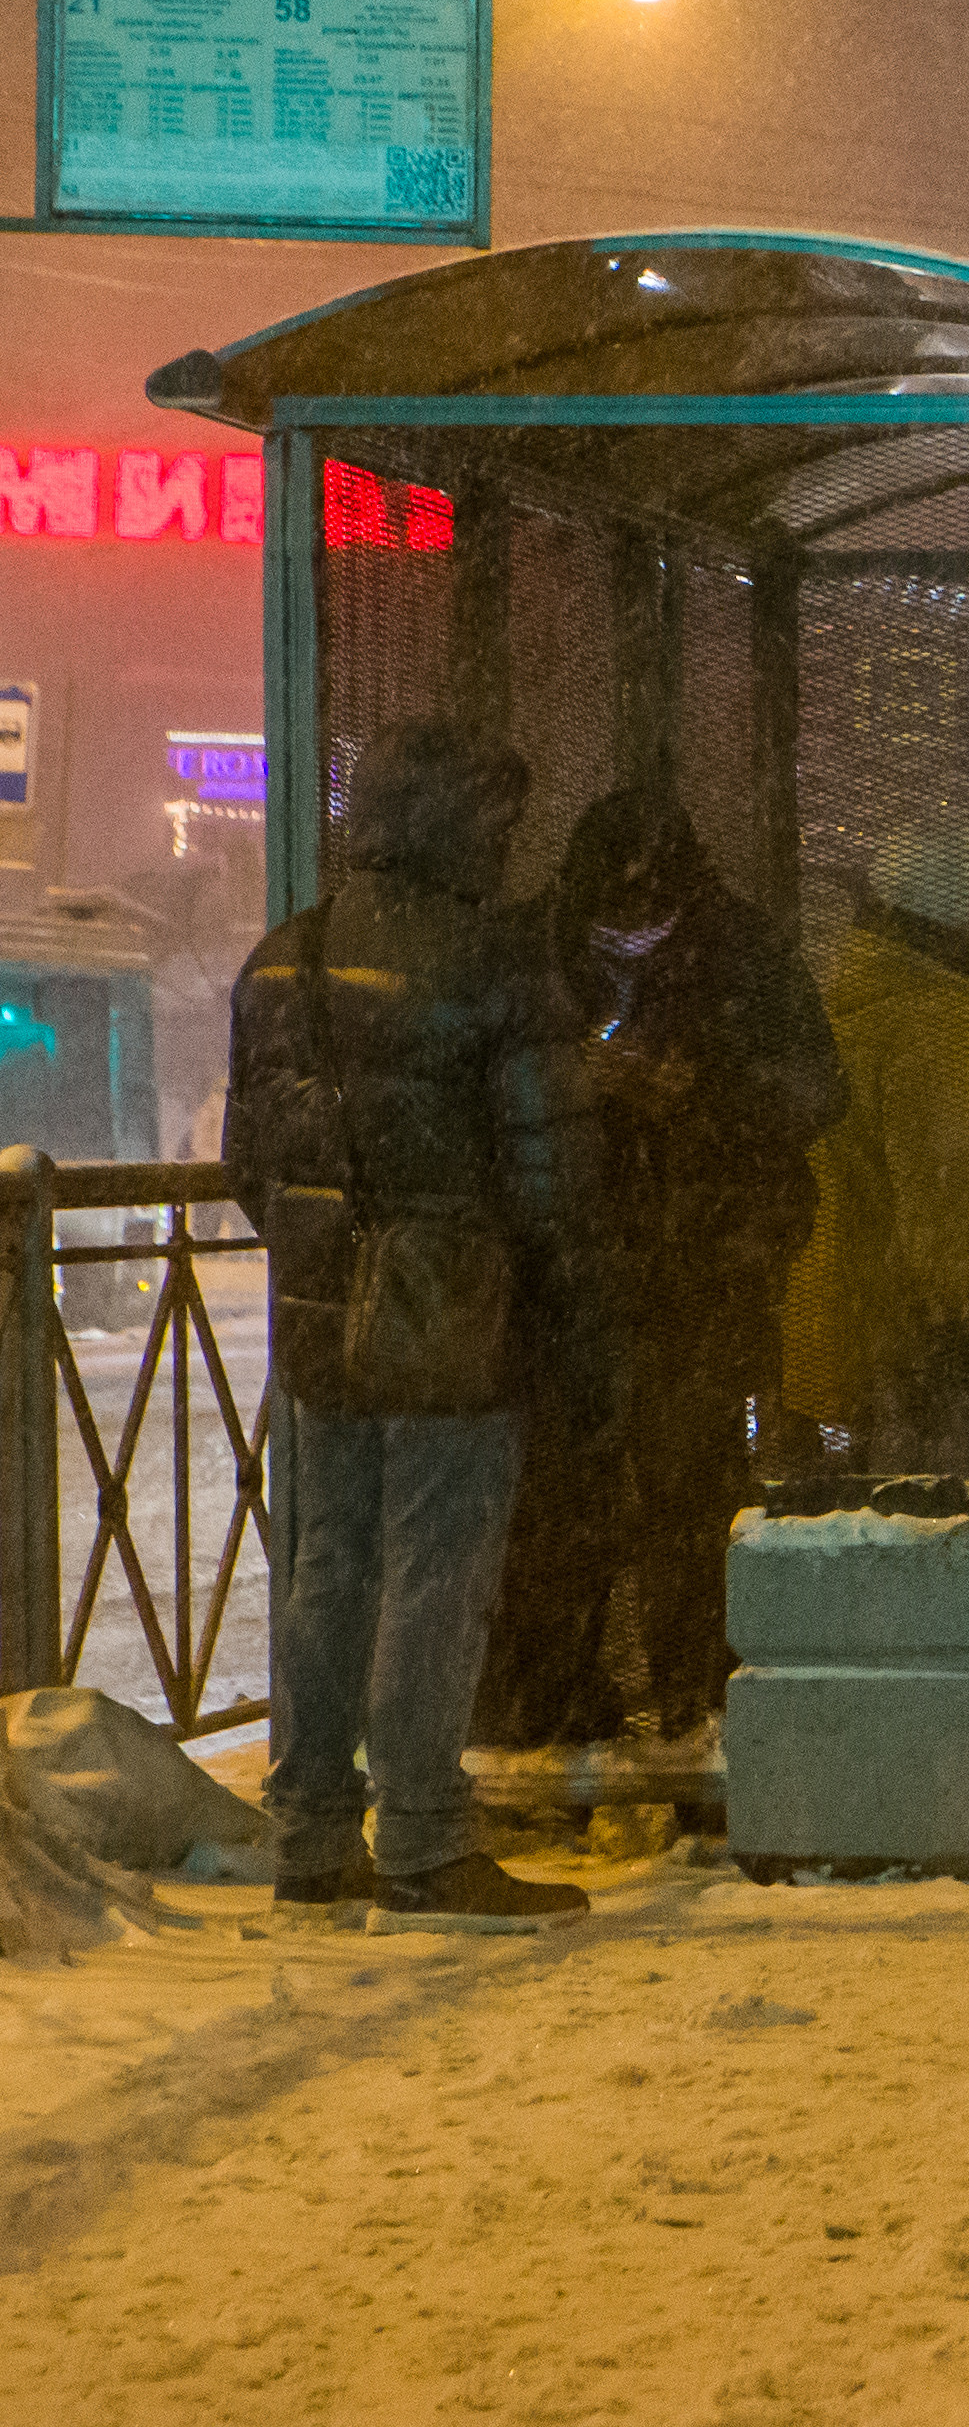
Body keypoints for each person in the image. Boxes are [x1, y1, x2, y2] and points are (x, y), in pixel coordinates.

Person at [224, 715, 612, 1932]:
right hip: (452, 1309)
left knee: (327, 1566)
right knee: (439, 1569)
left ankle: (310, 1835)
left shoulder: (284, 957)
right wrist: (572, 1296)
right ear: (451, 823)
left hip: (320, 1311)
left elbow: (251, 1159)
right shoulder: (496, 965)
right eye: (495, 824)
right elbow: (553, 1174)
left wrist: (333, 1241)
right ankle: (429, 1841)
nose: (506, 848)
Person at [472, 792, 846, 1752]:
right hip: (561, 1282)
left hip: (695, 1276)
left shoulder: (744, 953)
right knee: (559, 1509)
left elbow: (817, 1092)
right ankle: (553, 1719)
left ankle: (701, 1715)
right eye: (613, 920)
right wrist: (577, 1081)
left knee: (690, 1497)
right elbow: (473, 1085)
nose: (631, 936)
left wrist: (702, 1086)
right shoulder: (526, 950)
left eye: (651, 920)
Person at [782, 816, 969, 1477]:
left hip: (886, 1368)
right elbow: (960, 1238)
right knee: (960, 1554)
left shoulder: (870, 1015)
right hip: (957, 1382)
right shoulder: (945, 1037)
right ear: (968, 917)